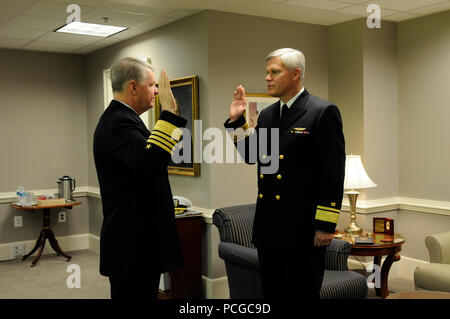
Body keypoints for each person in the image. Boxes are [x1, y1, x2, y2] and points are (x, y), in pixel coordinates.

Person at [224, 48, 345, 299]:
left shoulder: (322, 111)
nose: (267, 78)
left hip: (303, 231)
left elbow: (332, 174)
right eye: (267, 72)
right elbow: (252, 155)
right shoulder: (268, 115)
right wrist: (237, 121)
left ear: (295, 74)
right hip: (269, 229)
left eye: (274, 72)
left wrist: (325, 226)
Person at [93, 57, 187, 299]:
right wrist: (167, 114)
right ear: (133, 87)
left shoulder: (124, 119)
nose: (157, 90)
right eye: (152, 84)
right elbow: (151, 163)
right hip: (132, 246)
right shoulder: (119, 122)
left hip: (136, 243)